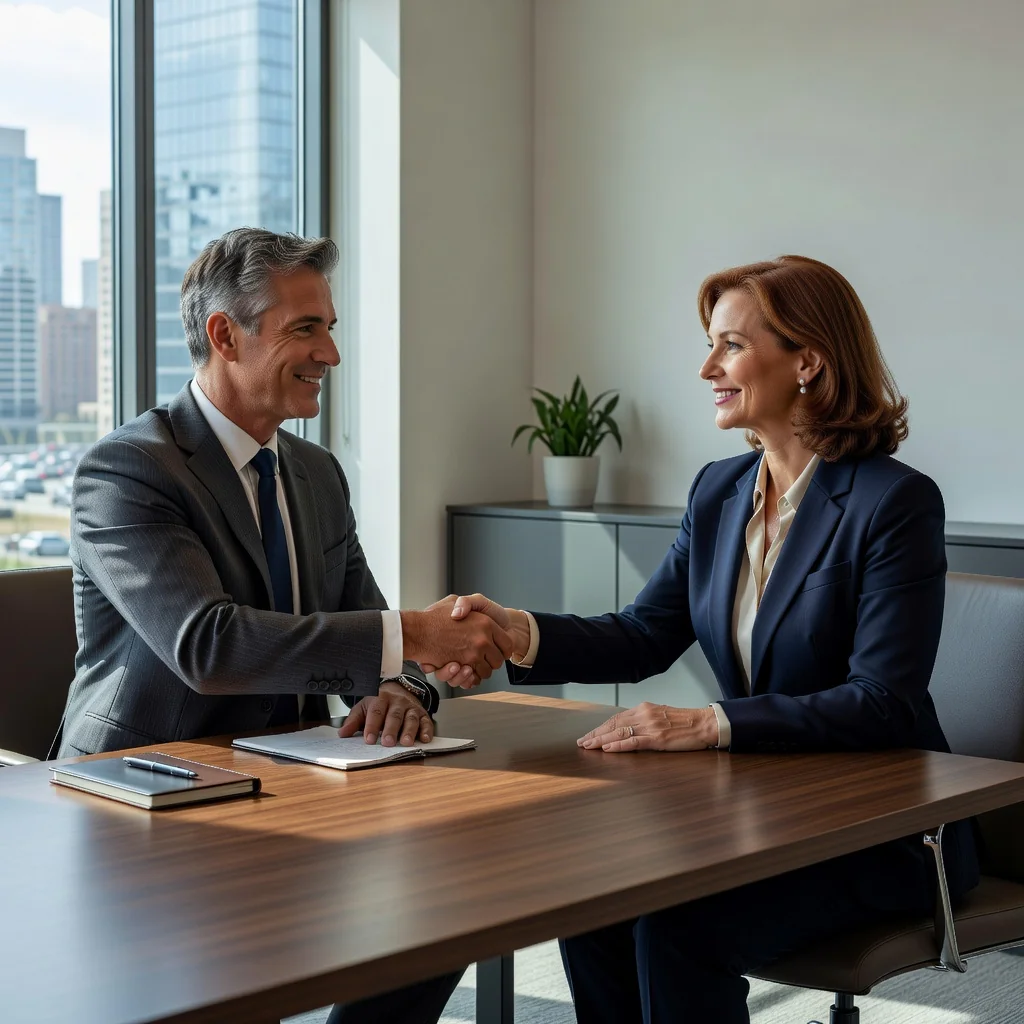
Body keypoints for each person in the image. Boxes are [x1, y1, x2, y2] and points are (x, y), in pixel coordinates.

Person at [428, 255, 980, 1024]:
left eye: (728, 345)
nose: (705, 367)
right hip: (764, 812)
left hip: (879, 833)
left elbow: (883, 701)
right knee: (596, 906)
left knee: (678, 929)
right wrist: (518, 633)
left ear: (808, 362)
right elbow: (644, 633)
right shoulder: (718, 491)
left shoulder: (894, 502)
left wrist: (708, 723)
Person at [58, 227, 512, 1024]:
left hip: (291, 786)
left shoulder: (315, 473)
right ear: (224, 335)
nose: (330, 355)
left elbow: (372, 631)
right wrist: (411, 639)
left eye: (330, 328)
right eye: (306, 329)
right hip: (144, 799)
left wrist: (402, 688)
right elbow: (209, 646)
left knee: (456, 900)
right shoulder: (129, 470)